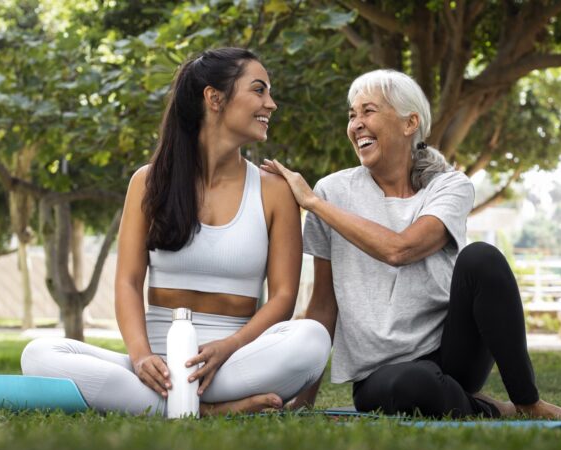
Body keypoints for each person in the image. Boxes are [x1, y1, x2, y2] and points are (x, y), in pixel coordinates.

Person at [262, 69, 561, 420]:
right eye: (352, 115)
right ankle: (491, 407)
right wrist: (304, 399)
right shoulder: (333, 191)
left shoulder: (449, 187)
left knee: (483, 258)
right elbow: (323, 305)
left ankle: (528, 402)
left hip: (452, 354)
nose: (356, 124)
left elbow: (400, 250)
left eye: (368, 111)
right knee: (415, 386)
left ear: (410, 123)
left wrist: (313, 204)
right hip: (382, 373)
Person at [21, 47, 331, 416]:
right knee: (39, 355)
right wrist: (140, 357)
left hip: (234, 362)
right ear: (214, 98)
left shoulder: (274, 190)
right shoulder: (148, 182)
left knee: (311, 339)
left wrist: (227, 347)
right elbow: (128, 282)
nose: (272, 104)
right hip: (156, 367)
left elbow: (283, 298)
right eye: (259, 90)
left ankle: (161, 405)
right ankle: (210, 410)